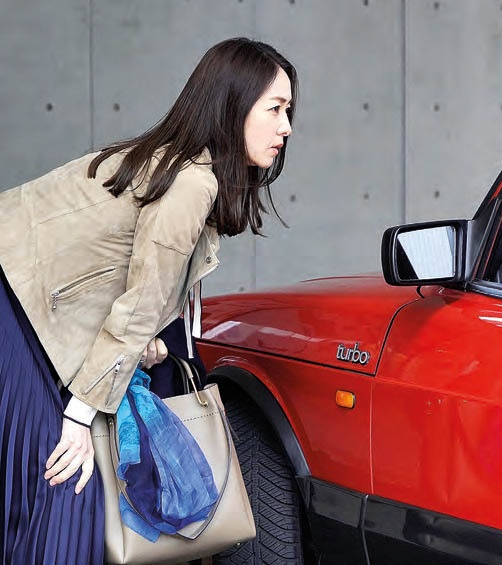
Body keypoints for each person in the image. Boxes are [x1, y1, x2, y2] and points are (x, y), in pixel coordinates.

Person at [0, 37, 297, 563]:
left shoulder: (170, 163)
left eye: (288, 111)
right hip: (15, 309)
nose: (286, 127)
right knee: (63, 488)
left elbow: (115, 281)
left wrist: (142, 346)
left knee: (49, 493)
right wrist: (82, 412)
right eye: (274, 109)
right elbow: (139, 304)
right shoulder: (191, 183)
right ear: (233, 106)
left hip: (27, 311)